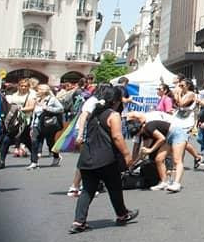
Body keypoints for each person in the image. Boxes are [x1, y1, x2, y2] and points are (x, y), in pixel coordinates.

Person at [71, 85, 139, 233]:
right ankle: (122, 214)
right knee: (114, 187)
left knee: (87, 190)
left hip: (87, 157)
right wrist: (127, 155)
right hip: (106, 158)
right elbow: (117, 136)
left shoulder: (94, 112)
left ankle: (78, 221)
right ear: (115, 101)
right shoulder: (113, 115)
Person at [164, 80, 200, 193]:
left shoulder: (191, 94)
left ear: (188, 86)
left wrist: (178, 94)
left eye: (182, 85)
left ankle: (176, 183)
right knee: (162, 156)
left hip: (184, 126)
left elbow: (181, 104)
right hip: (175, 124)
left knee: (177, 158)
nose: (180, 87)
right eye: (179, 85)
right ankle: (166, 180)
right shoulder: (182, 94)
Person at [28, 83, 64, 170]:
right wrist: (32, 126)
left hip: (48, 125)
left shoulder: (52, 99)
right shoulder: (37, 99)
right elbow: (34, 114)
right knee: (34, 141)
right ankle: (34, 162)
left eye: (39, 89)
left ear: (44, 91)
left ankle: (56, 156)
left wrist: (47, 108)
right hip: (37, 124)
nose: (37, 91)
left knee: (50, 143)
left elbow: (61, 109)